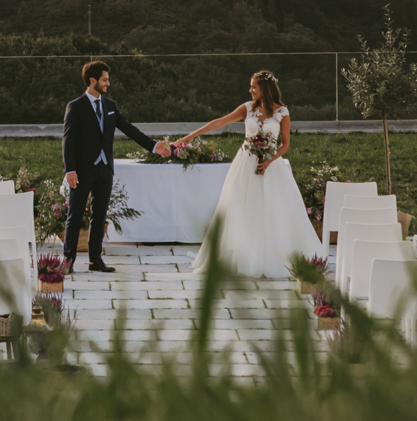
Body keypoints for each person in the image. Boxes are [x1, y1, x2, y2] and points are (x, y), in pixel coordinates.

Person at [174, 70, 323, 278]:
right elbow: (221, 122)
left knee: (273, 210)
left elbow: (286, 144)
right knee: (241, 207)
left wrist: (270, 160)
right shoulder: (247, 108)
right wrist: (192, 134)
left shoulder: (283, 113)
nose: (250, 90)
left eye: (253, 86)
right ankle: (242, 255)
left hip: (271, 166)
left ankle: (272, 257)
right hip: (245, 164)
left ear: (265, 88)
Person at [62, 60, 167, 274]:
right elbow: (68, 140)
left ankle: (95, 260)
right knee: (74, 215)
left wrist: (154, 146)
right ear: (93, 81)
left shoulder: (110, 106)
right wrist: (69, 170)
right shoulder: (76, 106)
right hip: (82, 171)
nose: (108, 83)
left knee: (99, 215)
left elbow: (129, 128)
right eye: (105, 79)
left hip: (104, 170)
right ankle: (68, 260)